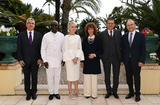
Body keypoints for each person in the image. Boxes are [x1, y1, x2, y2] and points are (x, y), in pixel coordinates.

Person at [17, 18, 43, 100]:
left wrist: (40, 58)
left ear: (34, 25)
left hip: (35, 61)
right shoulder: (21, 35)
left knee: (35, 77)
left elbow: (41, 48)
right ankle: (28, 93)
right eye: (29, 23)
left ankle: (34, 92)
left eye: (32, 23)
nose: (31, 24)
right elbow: (19, 48)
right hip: (25, 61)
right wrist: (20, 59)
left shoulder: (39, 35)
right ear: (26, 24)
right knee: (26, 78)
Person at [121, 19, 146, 102]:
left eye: (131, 24)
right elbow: (123, 49)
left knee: (137, 78)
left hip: (137, 61)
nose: (130, 26)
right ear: (126, 27)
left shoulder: (141, 36)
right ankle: (131, 92)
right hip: (127, 61)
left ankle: (137, 94)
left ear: (135, 25)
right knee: (128, 78)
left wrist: (141, 61)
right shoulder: (124, 36)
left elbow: (143, 49)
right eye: (128, 25)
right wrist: (122, 60)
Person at [41, 20, 64, 100]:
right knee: (50, 77)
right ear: (50, 27)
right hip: (49, 61)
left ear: (58, 26)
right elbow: (43, 49)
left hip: (58, 60)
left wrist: (63, 59)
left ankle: (56, 92)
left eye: (56, 25)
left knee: (57, 77)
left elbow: (63, 48)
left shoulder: (61, 35)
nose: (54, 27)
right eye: (53, 25)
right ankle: (51, 93)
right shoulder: (46, 36)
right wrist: (45, 60)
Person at [99, 18, 122, 99]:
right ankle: (108, 91)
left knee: (116, 76)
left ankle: (115, 91)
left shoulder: (118, 33)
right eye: (109, 23)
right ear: (106, 24)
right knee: (107, 76)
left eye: (112, 23)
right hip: (106, 58)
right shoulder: (102, 34)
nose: (110, 25)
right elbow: (100, 47)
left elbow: (121, 46)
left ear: (114, 24)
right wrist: (102, 57)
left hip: (117, 58)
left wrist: (121, 59)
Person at [63, 21, 84, 98]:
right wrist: (72, 58)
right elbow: (66, 49)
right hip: (69, 59)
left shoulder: (78, 37)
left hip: (77, 59)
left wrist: (77, 57)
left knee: (76, 75)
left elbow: (79, 48)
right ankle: (70, 93)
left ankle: (77, 91)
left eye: (75, 27)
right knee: (70, 76)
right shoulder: (66, 37)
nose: (74, 28)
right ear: (69, 28)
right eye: (72, 27)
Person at [82, 22, 102, 99]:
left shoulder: (98, 38)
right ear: (87, 30)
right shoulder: (84, 39)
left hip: (95, 60)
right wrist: (83, 60)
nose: (90, 30)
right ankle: (87, 94)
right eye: (89, 29)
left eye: (92, 29)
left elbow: (100, 50)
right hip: (87, 61)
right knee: (86, 78)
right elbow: (82, 50)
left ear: (94, 30)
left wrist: (94, 55)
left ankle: (94, 94)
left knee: (94, 78)